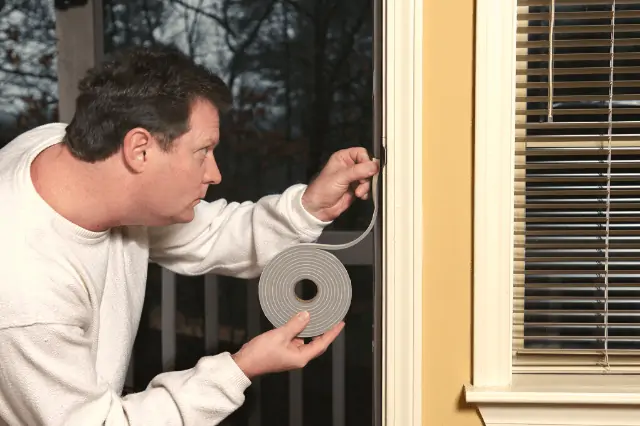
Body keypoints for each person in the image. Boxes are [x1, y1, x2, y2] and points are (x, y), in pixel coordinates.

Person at [0, 45, 379, 426]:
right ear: (140, 150)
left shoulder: (64, 149)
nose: (215, 174)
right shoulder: (26, 289)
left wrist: (310, 206)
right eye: (203, 151)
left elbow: (208, 234)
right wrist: (240, 369)